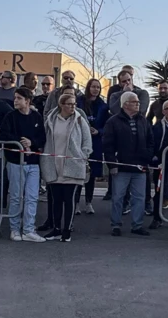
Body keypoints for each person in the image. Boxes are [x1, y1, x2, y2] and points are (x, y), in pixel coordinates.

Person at [39, 90, 92, 242]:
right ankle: (56, 229)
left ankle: (67, 230)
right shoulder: (51, 119)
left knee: (69, 200)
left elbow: (87, 141)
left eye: (74, 104)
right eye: (69, 104)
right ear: (61, 105)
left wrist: (83, 155)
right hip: (54, 165)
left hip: (72, 165)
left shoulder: (80, 120)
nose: (72, 107)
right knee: (56, 199)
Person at [0, 87, 46, 242]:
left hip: (33, 162)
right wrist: (20, 141)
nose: (16, 101)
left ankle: (28, 229)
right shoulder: (10, 116)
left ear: (27, 100)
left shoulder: (37, 117)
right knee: (16, 197)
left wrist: (32, 142)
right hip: (15, 162)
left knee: (32, 197)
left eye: (19, 98)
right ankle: (14, 228)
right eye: (15, 98)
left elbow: (42, 138)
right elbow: (4, 135)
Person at [102, 91, 151, 236]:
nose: (138, 104)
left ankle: (137, 225)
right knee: (118, 197)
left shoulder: (143, 120)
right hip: (121, 167)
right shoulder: (113, 121)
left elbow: (150, 140)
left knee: (139, 197)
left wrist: (147, 157)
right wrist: (112, 164)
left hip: (140, 166)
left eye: (138, 101)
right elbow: (108, 144)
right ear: (125, 104)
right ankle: (115, 224)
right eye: (134, 102)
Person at [78, 78, 107, 215]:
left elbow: (107, 125)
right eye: (93, 86)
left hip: (95, 142)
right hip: (79, 140)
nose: (96, 89)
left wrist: (98, 131)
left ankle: (89, 202)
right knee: (78, 173)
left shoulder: (102, 105)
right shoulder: (80, 101)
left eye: (98, 87)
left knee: (92, 174)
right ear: (88, 87)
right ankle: (76, 202)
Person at [150, 99, 168, 230]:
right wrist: (154, 157)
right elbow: (152, 143)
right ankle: (157, 218)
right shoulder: (156, 127)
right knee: (158, 190)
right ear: (163, 111)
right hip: (161, 163)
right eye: (167, 108)